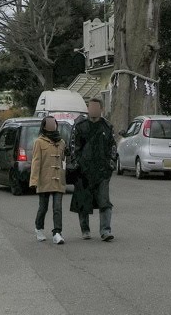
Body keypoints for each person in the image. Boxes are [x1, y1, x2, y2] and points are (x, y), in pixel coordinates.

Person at [70, 97, 117, 241]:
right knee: (83, 202)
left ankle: (105, 231)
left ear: (101, 109)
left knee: (104, 202)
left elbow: (113, 147)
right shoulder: (80, 126)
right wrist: (77, 164)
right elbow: (73, 148)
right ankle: (85, 230)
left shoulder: (107, 127)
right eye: (90, 107)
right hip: (83, 171)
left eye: (96, 107)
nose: (93, 110)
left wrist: (110, 164)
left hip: (102, 172)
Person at [30, 115, 66, 245]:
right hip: (44, 179)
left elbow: (63, 160)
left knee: (57, 207)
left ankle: (57, 232)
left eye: (54, 123)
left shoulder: (61, 142)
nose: (52, 126)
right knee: (43, 207)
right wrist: (34, 180)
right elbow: (36, 162)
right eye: (49, 124)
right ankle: (39, 228)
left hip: (58, 179)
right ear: (44, 126)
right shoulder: (39, 142)